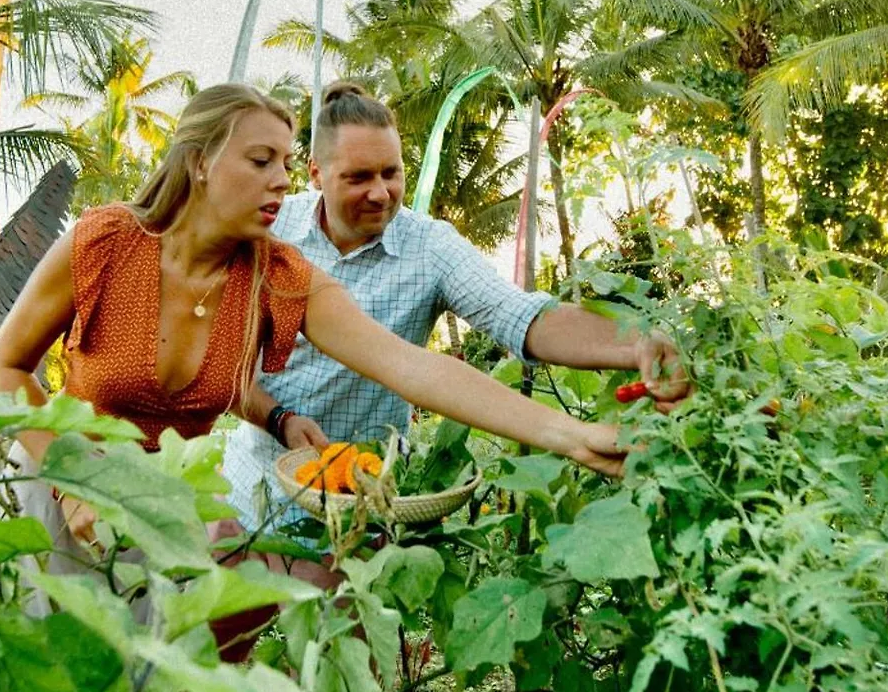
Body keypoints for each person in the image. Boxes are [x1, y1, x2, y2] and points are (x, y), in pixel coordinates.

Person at [0, 83, 626, 692]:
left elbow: (413, 368)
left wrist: (569, 434)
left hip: (157, 522)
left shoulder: (278, 277)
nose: (281, 180)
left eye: (287, 162)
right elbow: (6, 367)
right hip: (55, 497)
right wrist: (76, 482)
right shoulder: (105, 241)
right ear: (203, 160)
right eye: (262, 160)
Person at [223, 81, 690, 531]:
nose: (380, 192)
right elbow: (221, 363)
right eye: (359, 177)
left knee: (348, 604)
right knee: (235, 602)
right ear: (315, 172)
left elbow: (522, 317)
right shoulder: (271, 232)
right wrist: (278, 418)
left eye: (391, 172)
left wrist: (636, 343)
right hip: (258, 480)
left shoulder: (428, 247)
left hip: (371, 495)